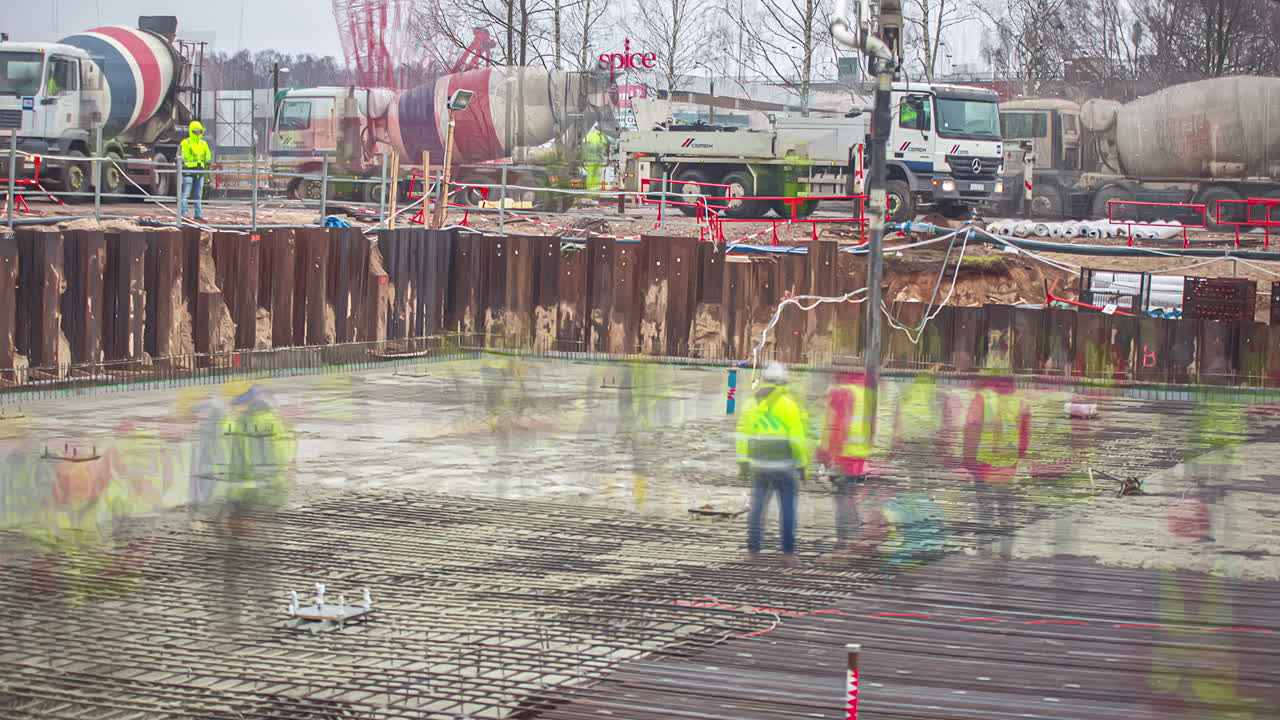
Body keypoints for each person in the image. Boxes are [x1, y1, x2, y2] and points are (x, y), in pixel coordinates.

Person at [737, 362, 810, 565]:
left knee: (757, 508)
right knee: (787, 509)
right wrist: (802, 465)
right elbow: (797, 440)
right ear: (783, 381)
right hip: (785, 467)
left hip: (759, 466)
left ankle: (753, 552)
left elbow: (742, 436)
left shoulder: (752, 404)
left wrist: (742, 462)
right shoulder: (788, 405)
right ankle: (788, 553)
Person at [961, 373, 1030, 559]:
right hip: (1008, 462)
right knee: (1006, 506)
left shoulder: (982, 398)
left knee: (985, 507)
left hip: (983, 462)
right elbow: (1024, 433)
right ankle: (1006, 551)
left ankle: (984, 550)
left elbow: (972, 427)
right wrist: (1018, 455)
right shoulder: (1020, 401)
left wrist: (967, 457)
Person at [817, 370, 873, 555]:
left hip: (844, 454)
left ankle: (845, 542)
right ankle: (857, 538)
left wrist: (825, 452)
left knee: (843, 499)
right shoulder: (868, 390)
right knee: (852, 497)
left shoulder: (840, 391)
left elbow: (836, 425)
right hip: (862, 455)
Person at [178, 121, 211, 221]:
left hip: (199, 172)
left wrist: (207, 160)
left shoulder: (203, 143)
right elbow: (181, 156)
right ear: (192, 131)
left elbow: (208, 155)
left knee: (198, 195)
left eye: (199, 131)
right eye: (196, 131)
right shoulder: (185, 143)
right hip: (188, 171)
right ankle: (184, 214)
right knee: (186, 194)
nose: (198, 133)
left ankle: (198, 214)